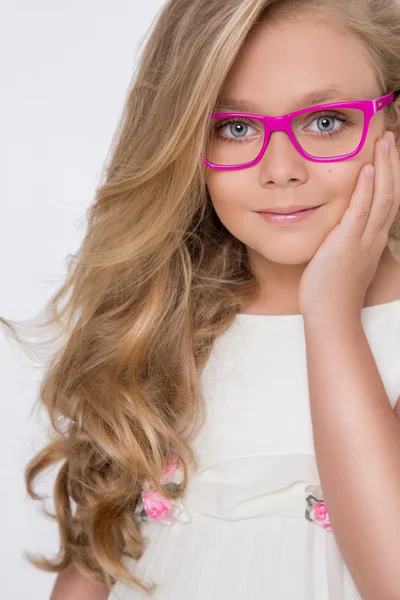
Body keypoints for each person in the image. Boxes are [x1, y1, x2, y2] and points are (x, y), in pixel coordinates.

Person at [3, 0, 400, 598]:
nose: (281, 169)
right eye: (235, 128)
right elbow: (100, 556)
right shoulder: (163, 317)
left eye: (325, 121)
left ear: (391, 125)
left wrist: (332, 314)